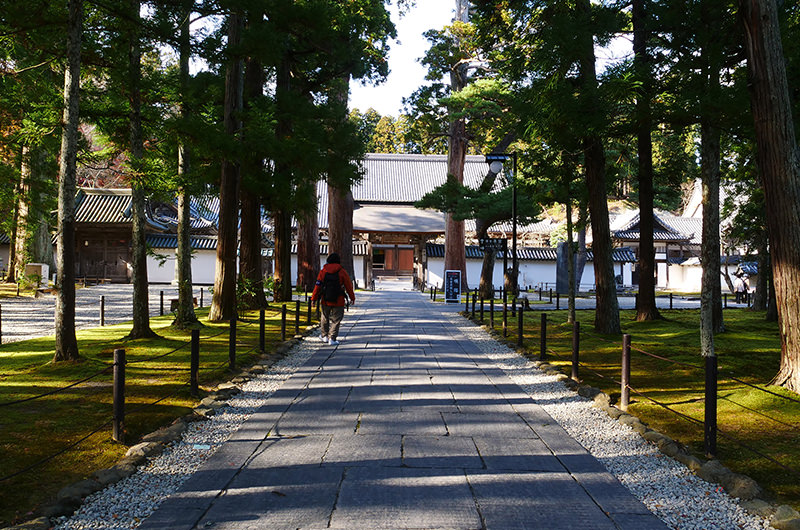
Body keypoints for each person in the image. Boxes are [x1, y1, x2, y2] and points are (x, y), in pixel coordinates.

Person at [311, 253, 355, 346]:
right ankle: (332, 338)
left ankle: (324, 336)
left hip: (325, 299)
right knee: (336, 319)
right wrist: (352, 298)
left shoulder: (323, 271)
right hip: (338, 299)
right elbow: (348, 286)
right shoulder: (342, 271)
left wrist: (313, 298)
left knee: (324, 317)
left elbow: (317, 285)